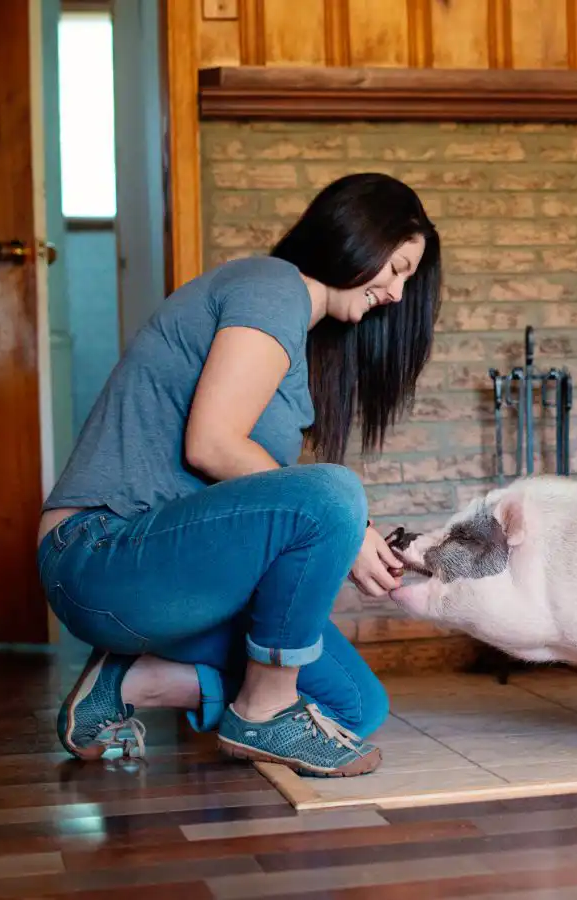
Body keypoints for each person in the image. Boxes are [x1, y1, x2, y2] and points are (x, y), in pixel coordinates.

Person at [35, 172, 441, 778]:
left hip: (173, 577)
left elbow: (256, 503)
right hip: (97, 555)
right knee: (333, 492)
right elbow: (213, 443)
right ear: (359, 234)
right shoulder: (271, 285)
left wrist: (350, 532)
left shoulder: (296, 343)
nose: (398, 294)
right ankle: (264, 710)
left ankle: (128, 682)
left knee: (355, 705)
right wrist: (349, 526)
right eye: (399, 267)